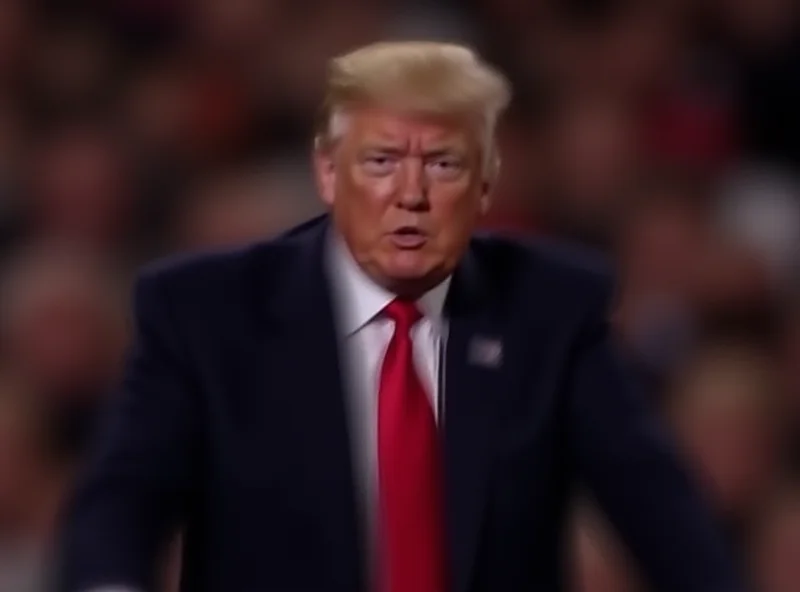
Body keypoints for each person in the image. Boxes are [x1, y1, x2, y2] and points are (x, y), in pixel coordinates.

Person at [57, 41, 744, 592]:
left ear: (484, 185)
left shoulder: (548, 313)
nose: (410, 196)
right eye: (381, 161)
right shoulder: (211, 314)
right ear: (327, 173)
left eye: (443, 165)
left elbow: (667, 522)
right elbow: (121, 502)